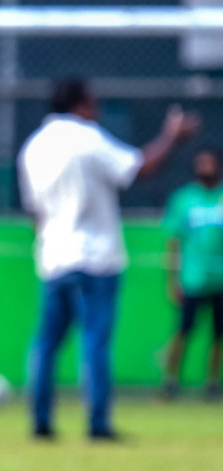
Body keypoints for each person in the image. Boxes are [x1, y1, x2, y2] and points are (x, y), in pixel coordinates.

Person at [18, 79, 199, 440]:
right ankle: (97, 423)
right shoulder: (88, 138)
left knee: (46, 344)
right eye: (94, 103)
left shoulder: (33, 147)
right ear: (81, 105)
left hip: (53, 258)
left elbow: (33, 212)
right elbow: (139, 168)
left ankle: (40, 422)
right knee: (95, 342)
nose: (97, 110)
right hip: (95, 258)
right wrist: (172, 136)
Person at [161, 146, 223, 399]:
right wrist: (172, 279)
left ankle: (211, 382)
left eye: (211, 163)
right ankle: (171, 379)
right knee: (183, 330)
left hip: (220, 279)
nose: (206, 168)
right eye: (202, 163)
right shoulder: (184, 199)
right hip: (192, 279)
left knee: (218, 334)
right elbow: (173, 241)